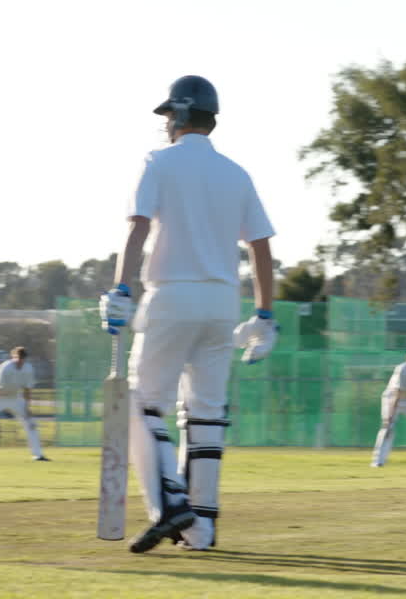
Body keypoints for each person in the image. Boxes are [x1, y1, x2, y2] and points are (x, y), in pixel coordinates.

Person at [99, 74, 277, 554]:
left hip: (172, 297)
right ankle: (201, 531)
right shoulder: (237, 174)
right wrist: (264, 315)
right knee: (205, 415)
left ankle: (172, 503)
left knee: (141, 404)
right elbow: (262, 248)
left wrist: (120, 287)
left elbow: (137, 229)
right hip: (222, 305)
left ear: (177, 115)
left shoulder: (158, 162)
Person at [0, 346, 49, 462]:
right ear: (13, 357)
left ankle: (38, 455)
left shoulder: (28, 369)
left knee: (31, 423)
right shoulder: (5, 368)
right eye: (18, 358)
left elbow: (27, 389)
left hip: (15, 397)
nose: (20, 361)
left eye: (22, 358)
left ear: (25, 359)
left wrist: (27, 408)